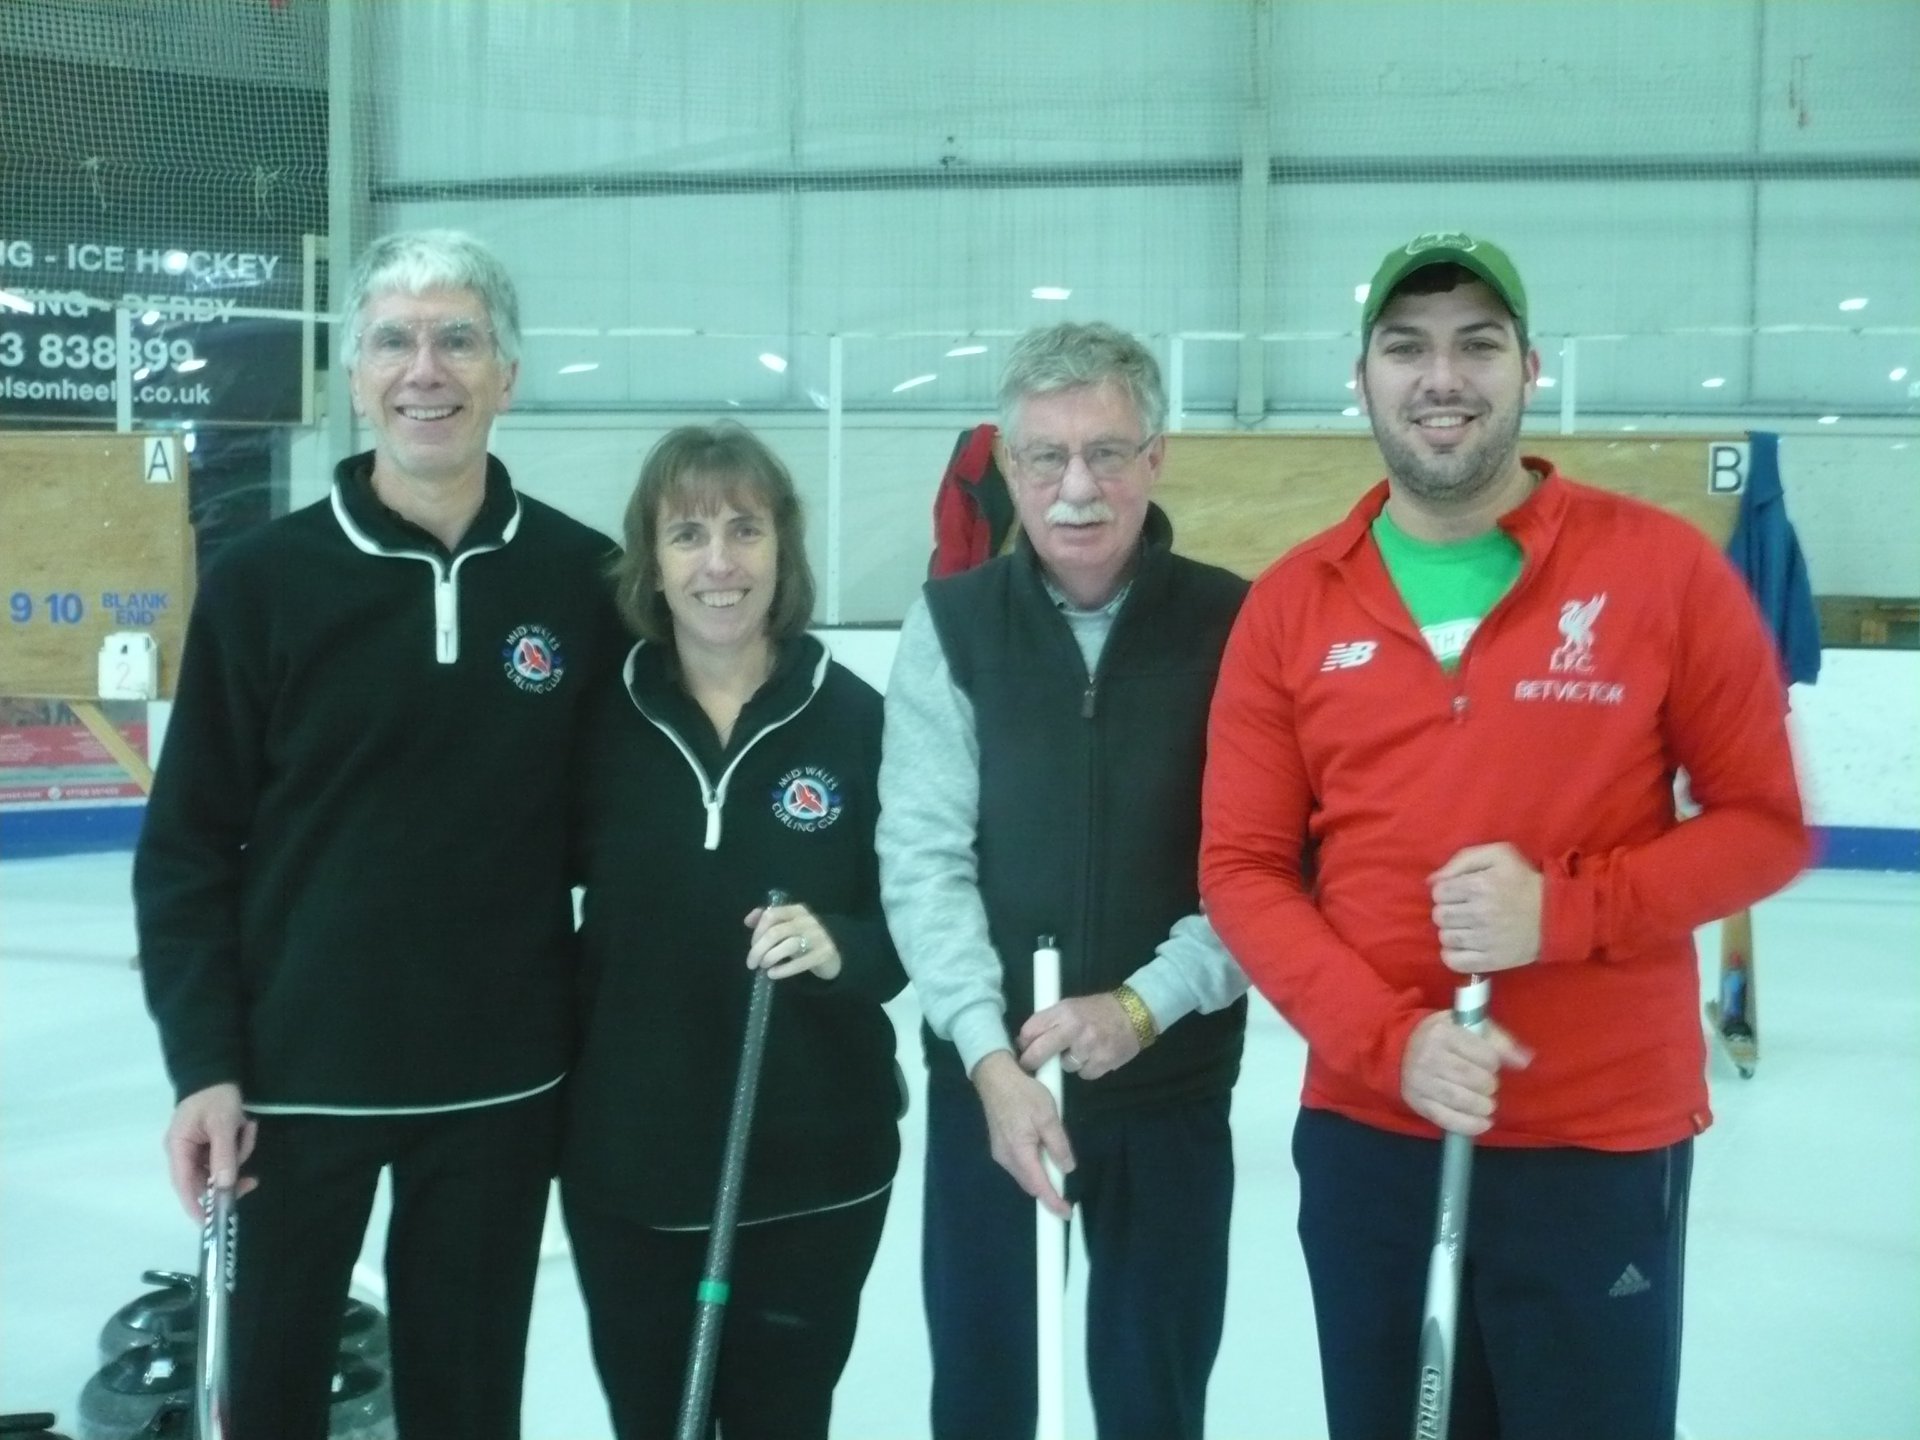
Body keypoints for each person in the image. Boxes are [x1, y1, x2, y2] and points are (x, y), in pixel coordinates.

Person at [1201, 231, 1811, 1440]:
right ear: (1363, 379)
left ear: (1529, 369)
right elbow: (1243, 870)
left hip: (1597, 1137)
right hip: (1374, 1133)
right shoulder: (1292, 604)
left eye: (1477, 345)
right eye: (1406, 348)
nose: (1443, 377)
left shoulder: (1660, 571)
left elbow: (1764, 827)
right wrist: (1394, 1045)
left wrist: (1565, 912)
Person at [132, 228, 625, 1440]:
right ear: (355, 376)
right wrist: (205, 1065)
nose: (426, 370)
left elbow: (620, 832)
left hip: (501, 1083)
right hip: (294, 1087)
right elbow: (188, 846)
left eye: (459, 340)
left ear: (507, 375)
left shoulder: (584, 581)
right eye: (395, 342)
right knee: (269, 1402)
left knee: (469, 1404)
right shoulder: (264, 581)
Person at [878, 321, 1251, 1440]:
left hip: (1170, 1092)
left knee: (1154, 1403)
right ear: (1010, 465)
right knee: (983, 1402)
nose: (1076, 487)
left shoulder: (1239, 626)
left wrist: (1143, 1006)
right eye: (1046, 456)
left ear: (1156, 458)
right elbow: (923, 857)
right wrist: (988, 1058)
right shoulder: (953, 626)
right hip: (993, 1093)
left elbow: (1264, 870)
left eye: (1107, 453)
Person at [560, 422, 905, 1440]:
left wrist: (844, 946)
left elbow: (920, 922)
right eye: (688, 535)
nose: (720, 563)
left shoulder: (859, 721)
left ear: (782, 548)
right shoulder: (594, 722)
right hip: (633, 1170)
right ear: (652, 561)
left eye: (745, 530)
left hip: (817, 1168)